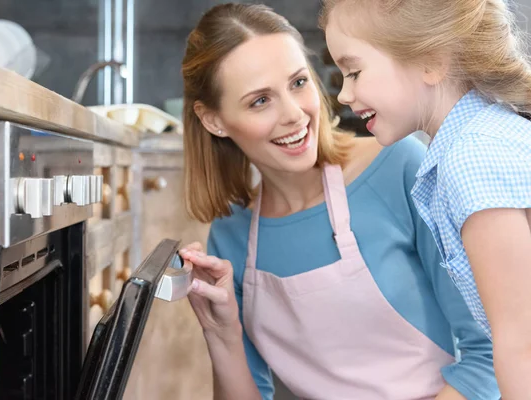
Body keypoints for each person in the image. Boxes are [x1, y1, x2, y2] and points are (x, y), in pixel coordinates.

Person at [178, 3, 499, 400]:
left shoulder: (399, 169)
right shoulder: (231, 236)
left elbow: (489, 354)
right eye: (260, 100)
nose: (295, 115)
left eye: (298, 83)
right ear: (214, 120)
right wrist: (221, 334)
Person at [320, 0, 531, 397]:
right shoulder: (485, 137)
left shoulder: (473, 159)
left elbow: (522, 346)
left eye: (355, 71)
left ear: (432, 62)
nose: (344, 94)